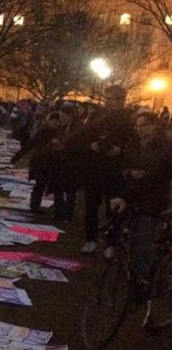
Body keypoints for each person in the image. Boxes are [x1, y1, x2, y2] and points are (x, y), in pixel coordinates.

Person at [61, 85, 136, 254]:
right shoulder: (96, 116)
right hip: (95, 168)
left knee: (114, 209)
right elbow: (81, 139)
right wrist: (91, 145)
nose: (112, 102)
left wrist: (120, 150)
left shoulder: (130, 119)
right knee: (91, 207)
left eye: (117, 98)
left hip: (115, 170)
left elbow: (135, 144)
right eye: (109, 98)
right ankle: (90, 240)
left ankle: (111, 243)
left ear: (123, 99)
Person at [108, 113, 172, 291]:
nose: (139, 130)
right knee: (130, 234)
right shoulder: (133, 143)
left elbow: (154, 174)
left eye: (142, 126)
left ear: (153, 126)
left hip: (153, 199)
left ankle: (143, 277)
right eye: (137, 126)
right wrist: (129, 173)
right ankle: (129, 271)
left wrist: (126, 194)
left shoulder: (163, 146)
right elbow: (123, 166)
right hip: (132, 194)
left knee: (145, 238)